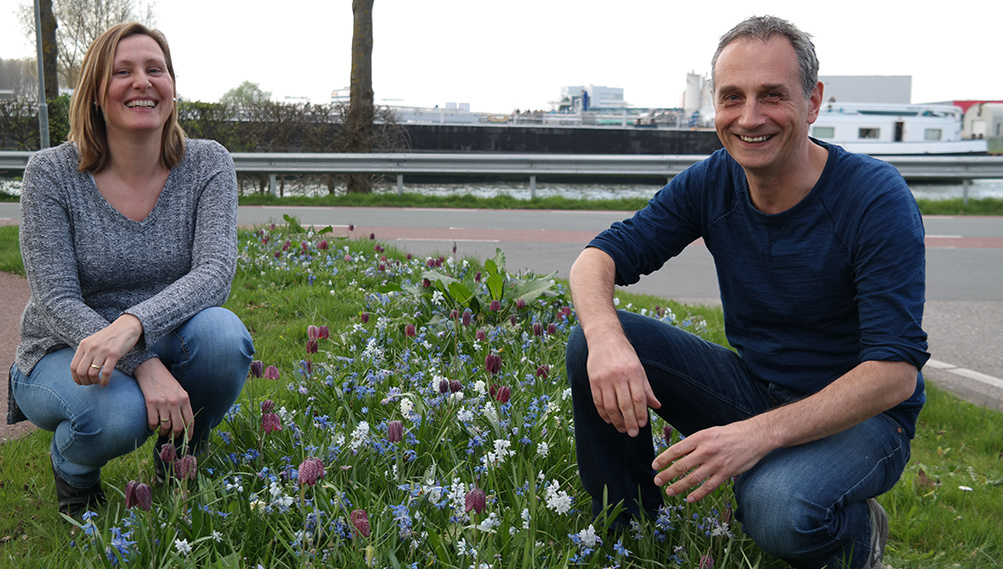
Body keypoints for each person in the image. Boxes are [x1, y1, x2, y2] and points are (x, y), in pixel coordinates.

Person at [566, 15, 927, 569]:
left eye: (772, 96)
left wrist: (756, 437)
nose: (749, 118)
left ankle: (855, 532)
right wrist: (607, 338)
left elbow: (894, 371)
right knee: (591, 343)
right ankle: (630, 533)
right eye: (732, 97)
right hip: (759, 389)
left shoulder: (874, 197)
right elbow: (598, 258)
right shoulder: (713, 180)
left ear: (813, 102)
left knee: (775, 507)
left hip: (867, 419)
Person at [7, 22, 254, 518]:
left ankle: (182, 458)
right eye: (123, 71)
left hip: (159, 334)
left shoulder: (208, 164)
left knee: (225, 338)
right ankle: (74, 475)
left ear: (171, 87)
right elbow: (56, 301)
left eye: (154, 69)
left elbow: (214, 272)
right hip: (65, 348)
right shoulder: (50, 173)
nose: (142, 81)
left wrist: (133, 329)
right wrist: (143, 363)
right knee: (116, 416)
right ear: (97, 93)